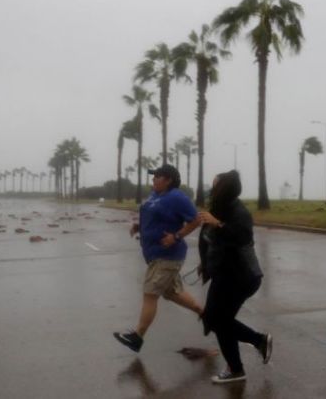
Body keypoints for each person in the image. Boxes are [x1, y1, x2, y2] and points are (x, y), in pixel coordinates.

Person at [114, 164, 207, 353]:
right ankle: (205, 314)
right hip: (155, 254)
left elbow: (196, 220)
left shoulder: (177, 197)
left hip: (167, 256)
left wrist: (176, 236)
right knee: (172, 293)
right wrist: (139, 226)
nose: (153, 179)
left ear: (168, 180)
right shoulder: (156, 195)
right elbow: (155, 217)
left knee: (150, 293)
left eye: (157, 176)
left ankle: (137, 337)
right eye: (153, 176)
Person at [198, 170, 272, 384]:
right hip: (225, 274)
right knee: (218, 320)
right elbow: (209, 240)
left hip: (240, 276)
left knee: (217, 320)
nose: (212, 190)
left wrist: (217, 224)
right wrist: (205, 263)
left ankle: (257, 343)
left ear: (225, 189)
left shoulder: (237, 211)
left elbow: (241, 237)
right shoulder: (219, 209)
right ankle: (238, 366)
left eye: (216, 186)